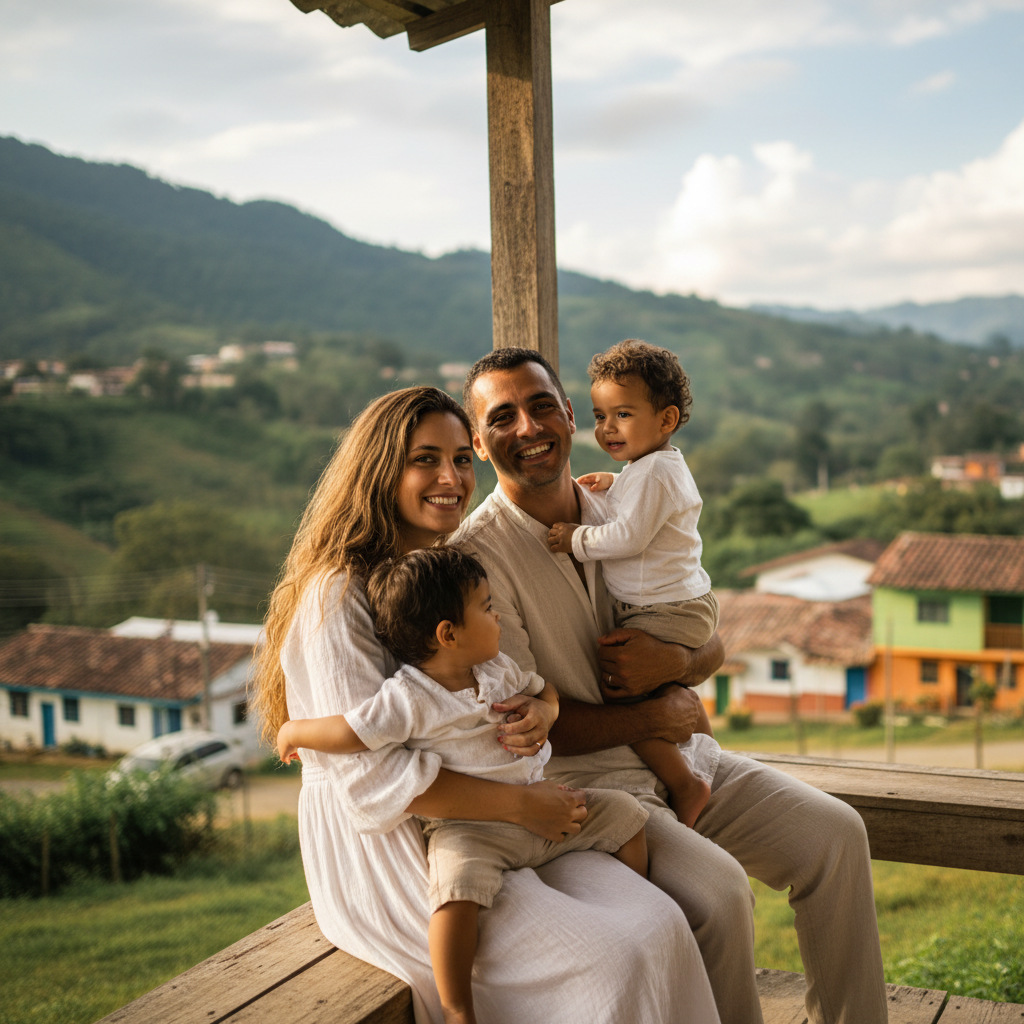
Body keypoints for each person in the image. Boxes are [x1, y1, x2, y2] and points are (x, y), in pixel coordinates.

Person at [251, 385, 721, 1024]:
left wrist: (545, 716)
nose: (450, 478)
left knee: (658, 923)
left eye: (460, 459)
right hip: (400, 843)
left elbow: (513, 684)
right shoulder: (337, 595)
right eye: (424, 460)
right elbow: (376, 782)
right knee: (611, 956)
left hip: (505, 812)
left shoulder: (442, 569)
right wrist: (523, 804)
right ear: (379, 470)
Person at [456, 349, 888, 1024]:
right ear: (480, 444)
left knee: (836, 835)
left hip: (684, 760)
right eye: (502, 416)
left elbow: (707, 633)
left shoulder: (625, 501)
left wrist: (677, 670)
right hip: (591, 790)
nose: (528, 426)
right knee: (719, 897)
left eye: (542, 405)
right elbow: (526, 728)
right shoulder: (473, 561)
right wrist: (663, 714)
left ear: (570, 416)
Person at [276, 546, 649, 1024]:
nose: (497, 618)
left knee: (626, 816)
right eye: (488, 608)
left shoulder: (496, 670)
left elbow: (544, 691)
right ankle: (456, 1006)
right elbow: (350, 732)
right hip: (472, 827)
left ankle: (622, 899)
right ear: (448, 634)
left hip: (545, 805)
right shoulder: (409, 697)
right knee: (454, 894)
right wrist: (295, 731)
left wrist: (546, 710)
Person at [547, 339, 719, 828]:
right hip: (686, 600)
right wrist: (616, 483)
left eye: (623, 415)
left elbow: (628, 535)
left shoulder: (651, 475)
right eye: (601, 416)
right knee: (669, 683)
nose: (607, 429)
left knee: (624, 690)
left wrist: (574, 539)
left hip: (662, 608)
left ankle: (687, 784)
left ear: (665, 420)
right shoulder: (655, 467)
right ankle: (709, 756)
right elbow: (645, 502)